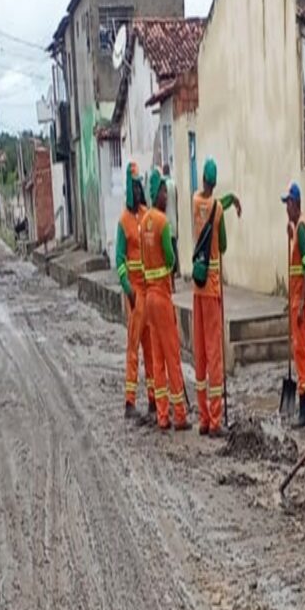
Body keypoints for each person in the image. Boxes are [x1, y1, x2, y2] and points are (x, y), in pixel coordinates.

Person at [191, 157, 242, 436]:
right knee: (214, 353)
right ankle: (215, 419)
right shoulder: (218, 211)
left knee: (199, 352)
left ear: (202, 180)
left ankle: (202, 417)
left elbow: (211, 202)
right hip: (211, 287)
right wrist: (229, 203)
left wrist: (229, 200)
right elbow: (221, 244)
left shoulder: (194, 200)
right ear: (215, 180)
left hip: (196, 288)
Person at [140, 169, 190, 431]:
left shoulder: (143, 222)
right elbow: (171, 259)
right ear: (158, 192)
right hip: (161, 295)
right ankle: (179, 414)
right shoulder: (161, 222)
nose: (165, 196)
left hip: (148, 297)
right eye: (163, 192)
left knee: (157, 359)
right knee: (172, 355)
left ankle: (162, 415)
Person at [114, 162, 156, 421]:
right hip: (135, 292)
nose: (140, 191)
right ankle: (130, 401)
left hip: (150, 289)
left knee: (151, 346)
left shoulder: (146, 215)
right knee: (134, 346)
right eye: (136, 186)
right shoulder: (123, 222)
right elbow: (119, 259)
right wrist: (127, 288)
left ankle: (154, 398)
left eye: (141, 186)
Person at [282, 181, 305, 427]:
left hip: (299, 302)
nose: (286, 209)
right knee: (297, 349)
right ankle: (303, 406)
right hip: (295, 301)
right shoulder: (297, 229)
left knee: (301, 352)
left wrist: (302, 301)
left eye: (287, 204)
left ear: (295, 204)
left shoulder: (302, 230)